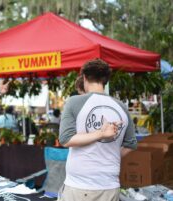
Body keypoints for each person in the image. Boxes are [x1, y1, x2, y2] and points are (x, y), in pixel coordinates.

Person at [58, 59, 137, 201]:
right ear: (105, 80)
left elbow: (65, 139)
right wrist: (108, 153)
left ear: (84, 78)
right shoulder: (121, 107)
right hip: (110, 186)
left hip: (80, 186)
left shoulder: (74, 102)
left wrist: (100, 134)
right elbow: (131, 144)